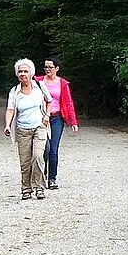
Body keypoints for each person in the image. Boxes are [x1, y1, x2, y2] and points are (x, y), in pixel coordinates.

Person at [3, 58, 51, 199]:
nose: (23, 74)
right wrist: (7, 124)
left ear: (31, 73)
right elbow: (10, 109)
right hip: (23, 129)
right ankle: (26, 189)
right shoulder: (15, 91)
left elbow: (49, 101)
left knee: (37, 157)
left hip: (39, 127)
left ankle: (40, 188)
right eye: (20, 71)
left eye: (25, 71)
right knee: (25, 162)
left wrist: (47, 115)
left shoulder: (40, 87)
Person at [38, 58, 80, 190]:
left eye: (50, 67)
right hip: (41, 118)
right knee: (45, 148)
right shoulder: (38, 82)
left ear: (57, 69)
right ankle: (41, 174)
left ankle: (52, 179)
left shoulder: (62, 84)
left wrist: (73, 121)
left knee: (53, 150)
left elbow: (68, 103)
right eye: (45, 67)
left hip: (57, 118)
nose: (47, 70)